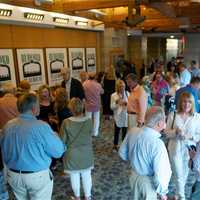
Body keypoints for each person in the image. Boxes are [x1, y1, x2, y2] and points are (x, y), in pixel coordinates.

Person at [1, 93, 65, 200]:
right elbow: (58, 152)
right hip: (37, 176)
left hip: (13, 175)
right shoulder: (41, 126)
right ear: (34, 108)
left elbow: (3, 149)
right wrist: (57, 138)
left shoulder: (7, 126)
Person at [119, 106, 171, 200]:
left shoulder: (133, 130)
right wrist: (162, 192)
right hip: (148, 183)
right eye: (164, 120)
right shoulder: (157, 144)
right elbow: (161, 174)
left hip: (133, 176)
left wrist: (135, 160)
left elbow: (122, 153)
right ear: (159, 123)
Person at [165, 92, 200, 200]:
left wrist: (190, 136)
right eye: (184, 101)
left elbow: (199, 135)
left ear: (192, 103)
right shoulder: (173, 115)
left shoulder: (197, 117)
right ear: (181, 102)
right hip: (175, 148)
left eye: (189, 102)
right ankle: (182, 196)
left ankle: (177, 194)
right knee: (178, 173)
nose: (186, 104)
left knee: (184, 174)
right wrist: (175, 132)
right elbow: (166, 133)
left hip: (190, 150)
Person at [60, 98, 93, 200]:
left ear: (71, 109)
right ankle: (87, 196)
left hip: (72, 154)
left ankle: (77, 197)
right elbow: (90, 135)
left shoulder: (66, 122)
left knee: (74, 176)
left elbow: (62, 140)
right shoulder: (89, 120)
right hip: (86, 153)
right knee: (87, 175)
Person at [83, 72, 104, 136]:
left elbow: (82, 92)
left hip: (88, 104)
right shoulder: (98, 85)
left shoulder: (84, 84)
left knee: (88, 119)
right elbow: (102, 92)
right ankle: (95, 132)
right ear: (95, 77)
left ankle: (87, 132)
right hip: (96, 104)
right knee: (96, 119)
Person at [110, 80, 129, 151]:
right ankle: (115, 145)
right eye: (120, 87)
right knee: (117, 131)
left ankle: (123, 145)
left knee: (125, 131)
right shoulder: (113, 95)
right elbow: (111, 107)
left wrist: (127, 104)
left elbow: (130, 104)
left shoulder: (127, 93)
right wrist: (117, 103)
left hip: (125, 116)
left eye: (123, 86)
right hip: (117, 116)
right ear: (117, 87)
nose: (122, 88)